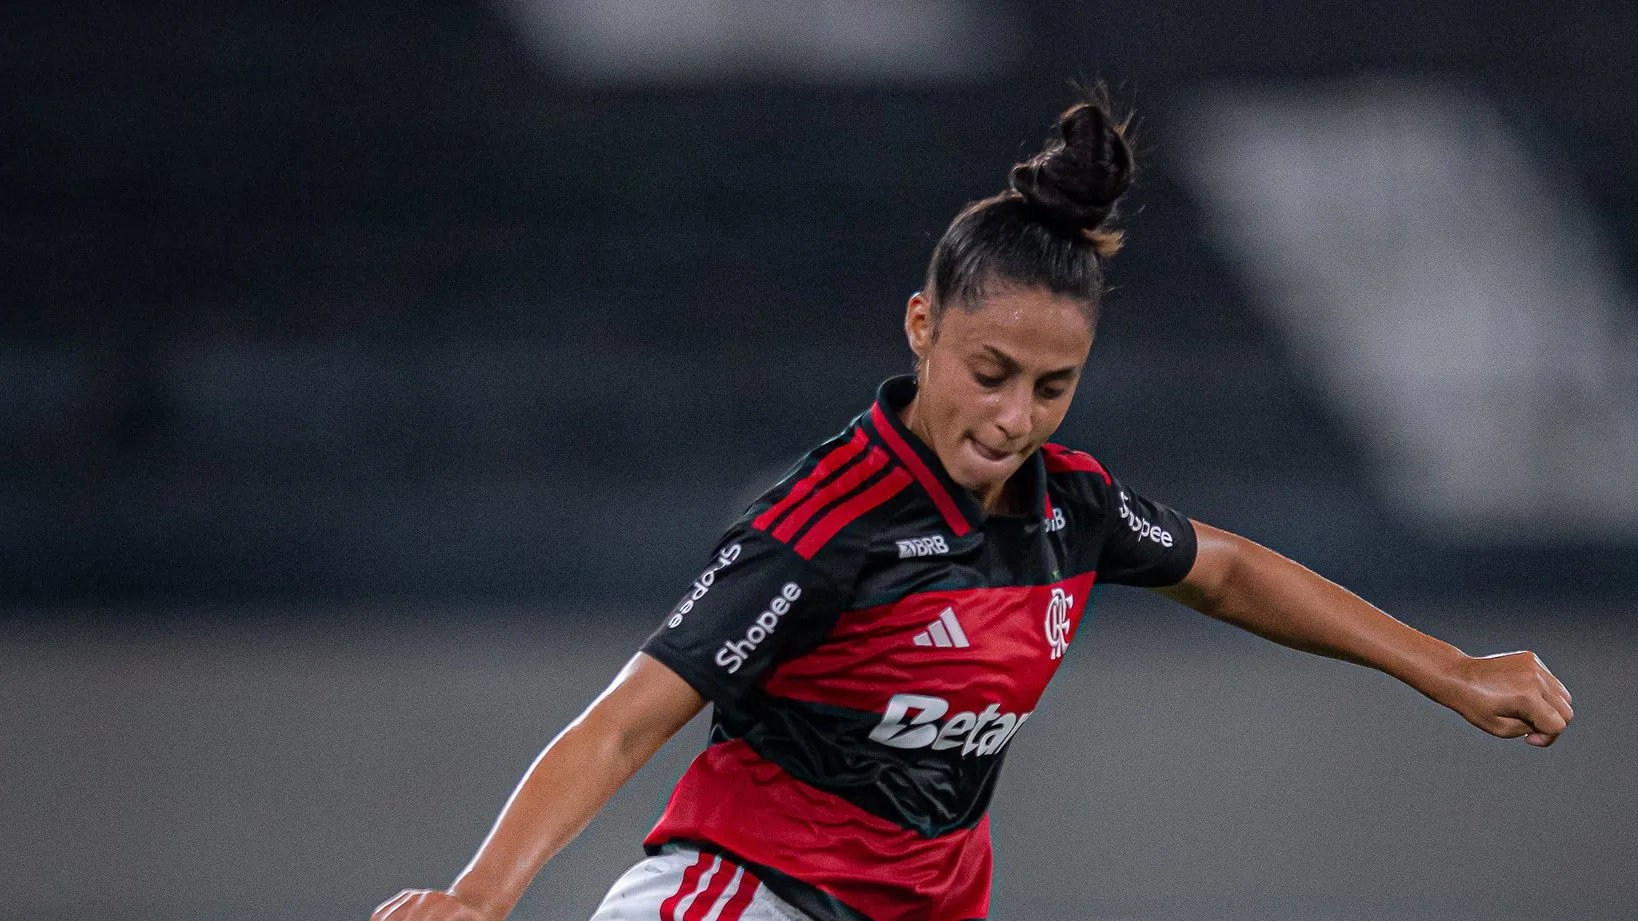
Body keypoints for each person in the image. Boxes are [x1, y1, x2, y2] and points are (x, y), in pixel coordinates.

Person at [371, 88, 1573, 921]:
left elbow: (1228, 568)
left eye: (1054, 387)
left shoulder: (1069, 509)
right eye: (989, 374)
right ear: (922, 328)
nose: (1014, 418)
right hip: (748, 892)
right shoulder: (825, 521)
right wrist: (480, 896)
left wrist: (1448, 670)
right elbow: (629, 719)